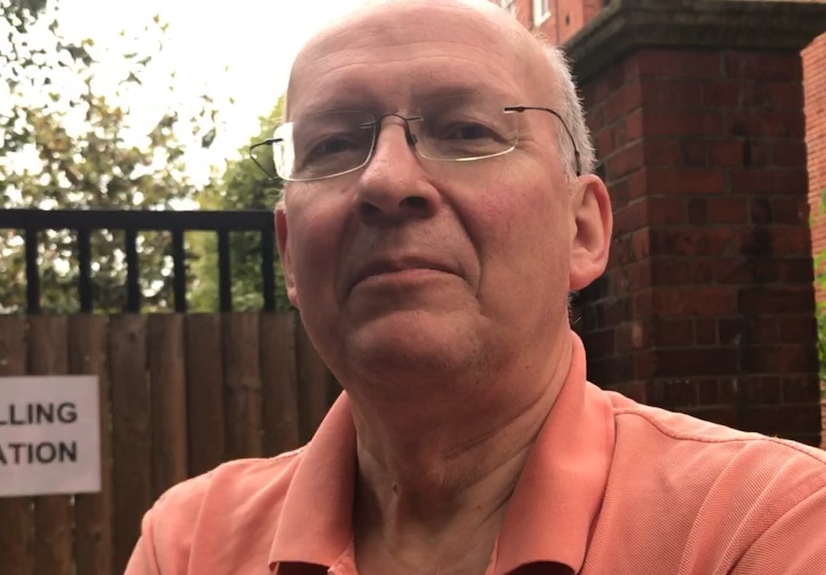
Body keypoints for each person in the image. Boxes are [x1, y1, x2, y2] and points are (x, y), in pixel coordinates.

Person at [124, 1, 826, 573]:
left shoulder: (768, 527)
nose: (386, 181)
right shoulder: (188, 544)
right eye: (334, 143)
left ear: (582, 230)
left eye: (465, 130)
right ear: (287, 252)